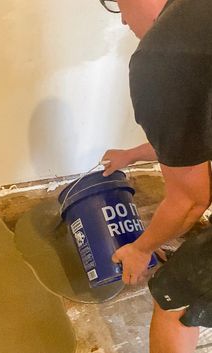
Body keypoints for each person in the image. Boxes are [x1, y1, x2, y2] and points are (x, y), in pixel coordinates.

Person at [99, 0, 212, 352]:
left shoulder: (161, 55)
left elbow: (191, 200)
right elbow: (195, 137)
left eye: (120, 6)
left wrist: (139, 248)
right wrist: (132, 154)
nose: (123, 22)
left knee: (172, 296)